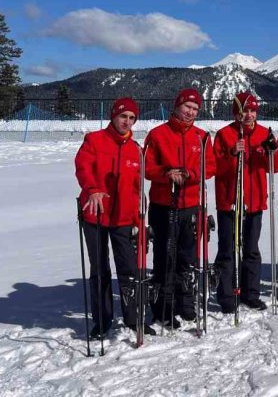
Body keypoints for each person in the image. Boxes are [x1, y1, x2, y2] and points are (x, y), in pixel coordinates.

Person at [75, 97, 151, 337]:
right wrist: (92, 188)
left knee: (129, 269)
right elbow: (83, 166)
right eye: (123, 116)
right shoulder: (94, 140)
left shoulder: (136, 149)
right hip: (95, 214)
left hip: (124, 218)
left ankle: (133, 318)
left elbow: (138, 189)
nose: (126, 122)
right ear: (113, 116)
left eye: (131, 118)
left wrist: (140, 220)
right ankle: (102, 319)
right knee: (100, 269)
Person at [143, 88, 216, 326]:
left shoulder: (202, 137)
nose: (190, 112)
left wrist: (191, 173)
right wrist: (166, 173)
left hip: (191, 205)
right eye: (187, 107)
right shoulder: (157, 134)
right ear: (177, 106)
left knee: (187, 258)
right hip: (164, 205)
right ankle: (164, 307)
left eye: (195, 109)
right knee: (165, 257)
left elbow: (211, 166)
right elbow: (146, 167)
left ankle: (185, 303)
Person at [213, 91, 278, 313]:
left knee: (251, 249)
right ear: (236, 113)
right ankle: (227, 295)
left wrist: (271, 151)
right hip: (230, 200)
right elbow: (215, 167)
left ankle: (250, 293)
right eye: (244, 111)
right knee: (228, 249)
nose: (249, 115)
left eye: (252, 110)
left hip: (255, 200)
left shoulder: (263, 133)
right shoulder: (224, 134)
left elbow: (275, 167)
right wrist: (232, 153)